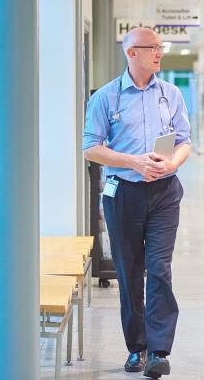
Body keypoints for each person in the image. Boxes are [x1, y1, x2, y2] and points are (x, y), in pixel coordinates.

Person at [83, 27, 191, 378]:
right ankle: (137, 348)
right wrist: (133, 161)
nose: (160, 53)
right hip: (124, 194)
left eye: (161, 47)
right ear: (132, 53)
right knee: (130, 274)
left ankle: (159, 351)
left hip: (164, 193)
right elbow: (90, 147)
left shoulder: (171, 94)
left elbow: (185, 141)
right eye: (153, 48)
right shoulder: (106, 98)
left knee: (159, 269)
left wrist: (172, 163)